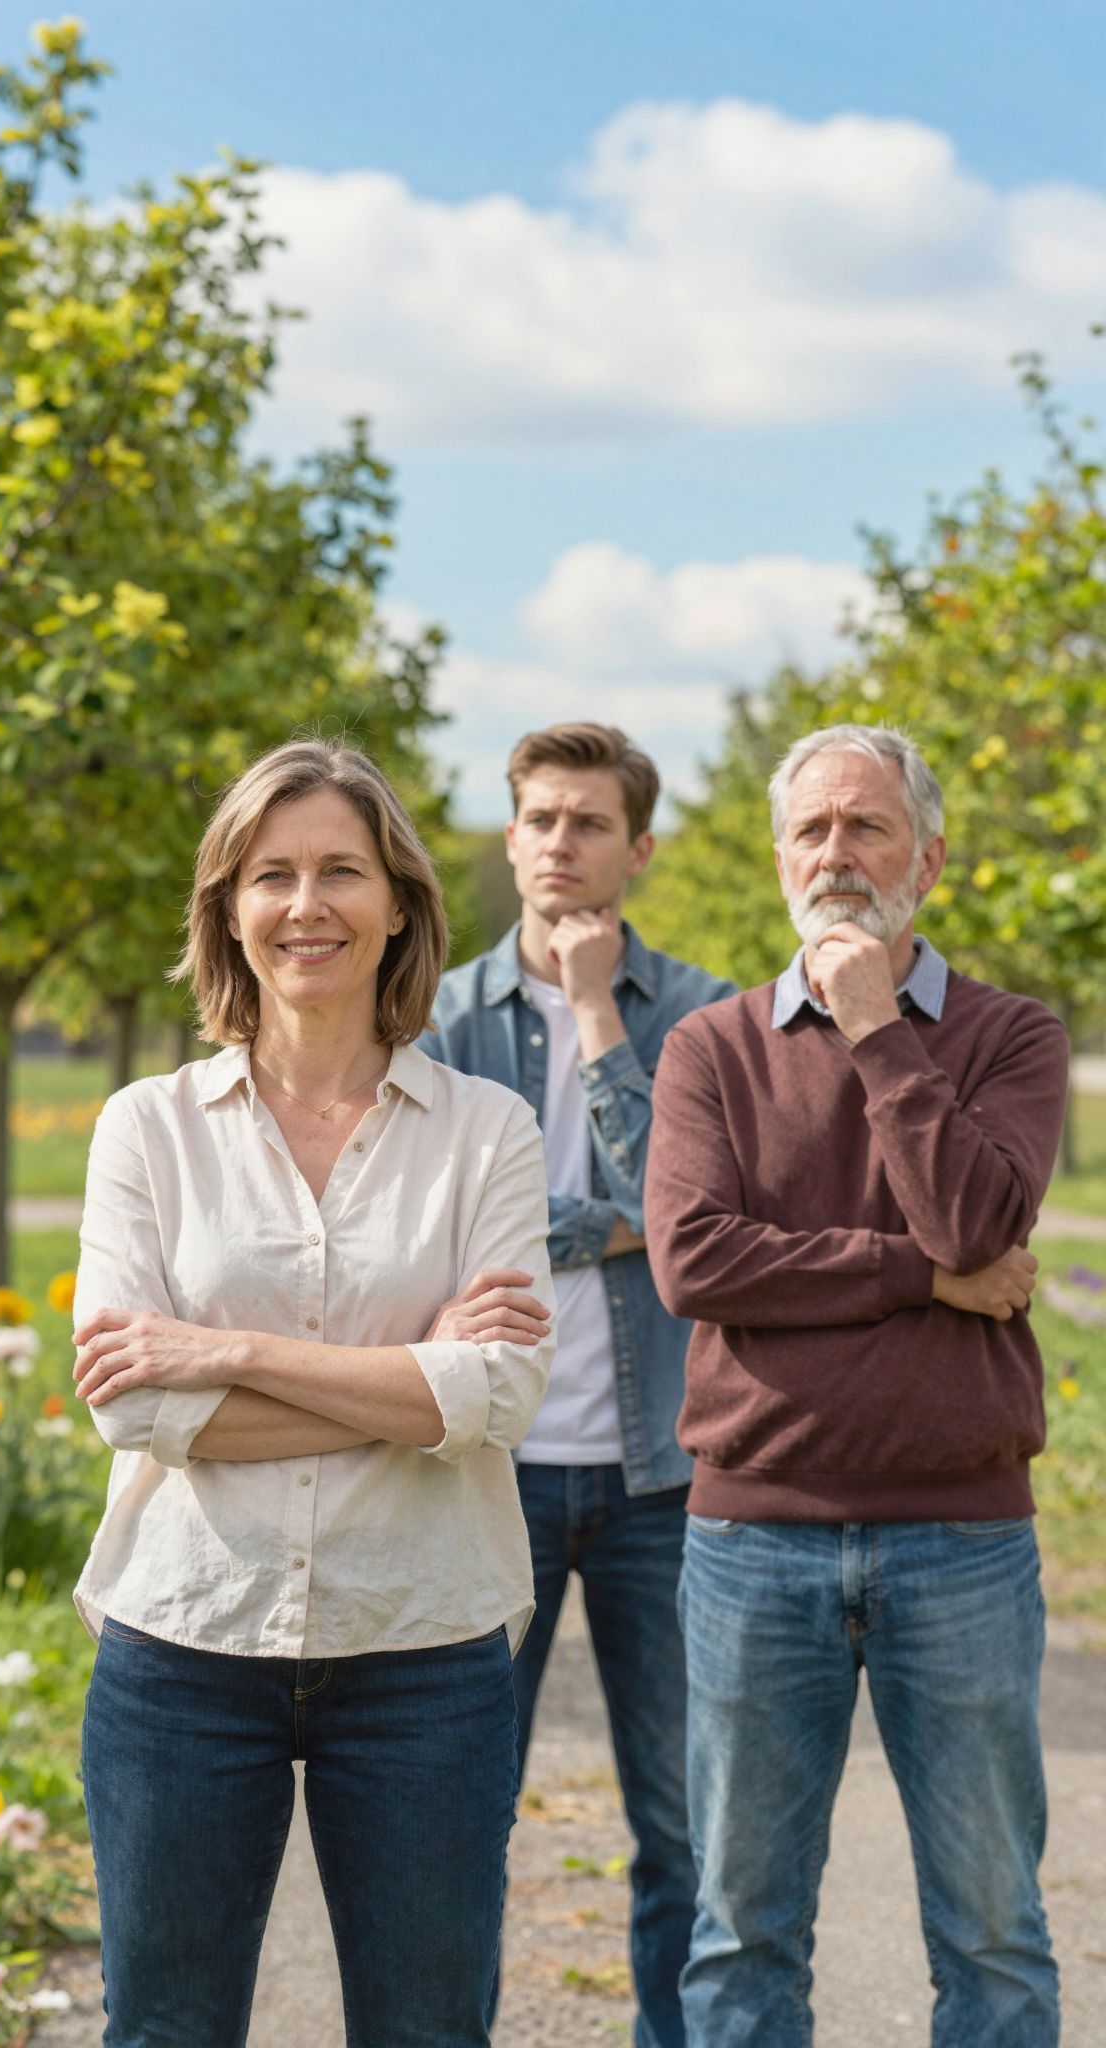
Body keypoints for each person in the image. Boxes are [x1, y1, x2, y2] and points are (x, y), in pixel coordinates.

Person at [70, 738, 557, 2048]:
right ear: (229, 907)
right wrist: (411, 1380)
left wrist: (221, 1351)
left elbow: (499, 1393)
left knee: (427, 2030)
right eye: (272, 874)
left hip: (423, 1651)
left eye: (342, 869)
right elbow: (134, 1411)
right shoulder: (145, 1129)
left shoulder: (487, 1132)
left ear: (399, 899)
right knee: (165, 2030)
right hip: (185, 1642)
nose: (307, 905)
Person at [645, 723, 1069, 2048]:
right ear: (778, 858)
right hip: (751, 1540)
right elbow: (698, 1262)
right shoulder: (711, 1049)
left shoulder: (1010, 1037)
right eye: (811, 831)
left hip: (965, 1541)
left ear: (927, 862)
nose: (835, 853)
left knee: (993, 1932)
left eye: (866, 828)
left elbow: (977, 1218)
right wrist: (923, 1279)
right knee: (741, 1932)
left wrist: (879, 1022)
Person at [421, 721, 737, 2048]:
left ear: (639, 847)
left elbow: (704, 1211)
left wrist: (601, 1011)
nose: (562, 843)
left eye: (590, 822)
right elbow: (428, 1224)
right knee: (455, 1813)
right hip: (480, 1474)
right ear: (510, 837)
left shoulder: (710, 1013)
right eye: (541, 819)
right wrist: (607, 1221)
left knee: (684, 1824)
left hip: (664, 1476)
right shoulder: (432, 1015)